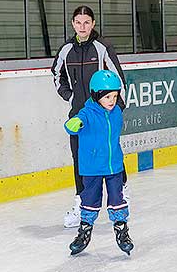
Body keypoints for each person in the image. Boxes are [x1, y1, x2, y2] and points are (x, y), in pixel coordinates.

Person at [51, 5, 129, 228]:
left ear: (93, 24)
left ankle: (122, 191)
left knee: (110, 151)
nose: (82, 26)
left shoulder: (102, 47)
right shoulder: (66, 49)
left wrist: (115, 109)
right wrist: (70, 97)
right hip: (80, 114)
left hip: (104, 113)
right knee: (80, 159)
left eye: (87, 22)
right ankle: (81, 203)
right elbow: (57, 74)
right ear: (73, 24)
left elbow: (119, 79)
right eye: (78, 22)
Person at [65, 70, 134, 255]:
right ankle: (84, 231)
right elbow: (74, 124)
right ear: (96, 96)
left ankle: (122, 230)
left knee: (117, 200)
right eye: (107, 97)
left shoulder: (116, 111)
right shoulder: (87, 113)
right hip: (92, 168)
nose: (112, 100)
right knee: (90, 201)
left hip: (114, 166)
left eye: (115, 96)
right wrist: (74, 124)